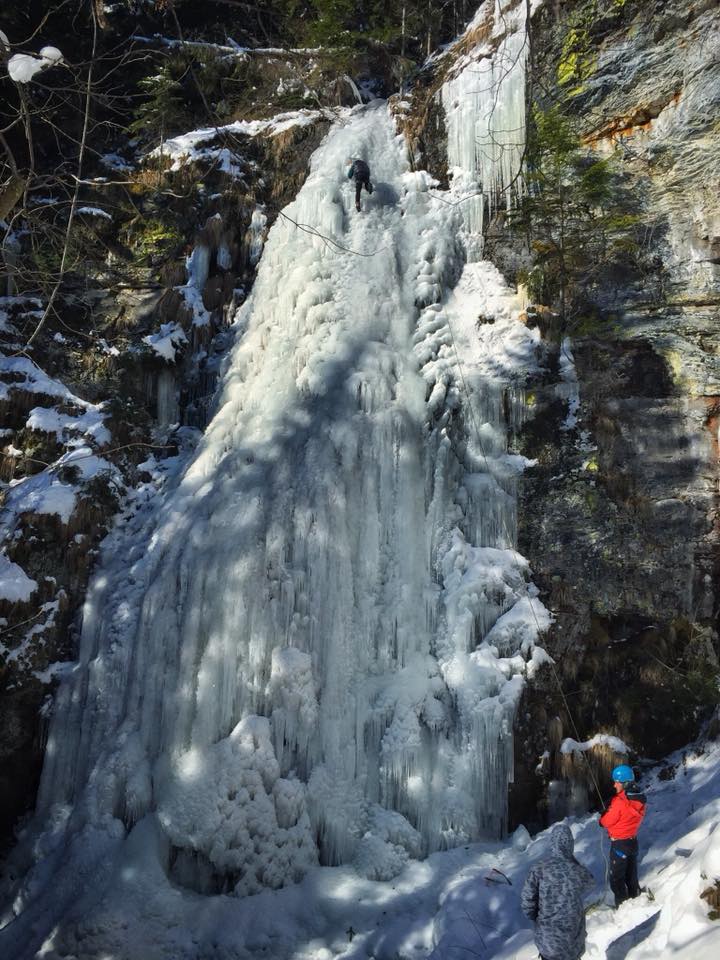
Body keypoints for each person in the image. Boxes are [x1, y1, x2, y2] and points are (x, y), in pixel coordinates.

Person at [521, 823, 595, 960]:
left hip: (548, 939)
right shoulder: (577, 870)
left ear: (552, 843)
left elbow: (527, 902)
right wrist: (571, 860)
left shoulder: (539, 869)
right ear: (570, 844)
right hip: (573, 941)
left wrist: (536, 917)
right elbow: (591, 883)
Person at [599, 763, 646, 906]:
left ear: (624, 783)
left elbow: (606, 822)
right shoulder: (639, 799)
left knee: (617, 879)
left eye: (616, 782)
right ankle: (635, 898)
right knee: (631, 876)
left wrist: (603, 816)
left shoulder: (619, 802)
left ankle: (622, 906)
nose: (614, 785)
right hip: (632, 842)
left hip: (619, 844)